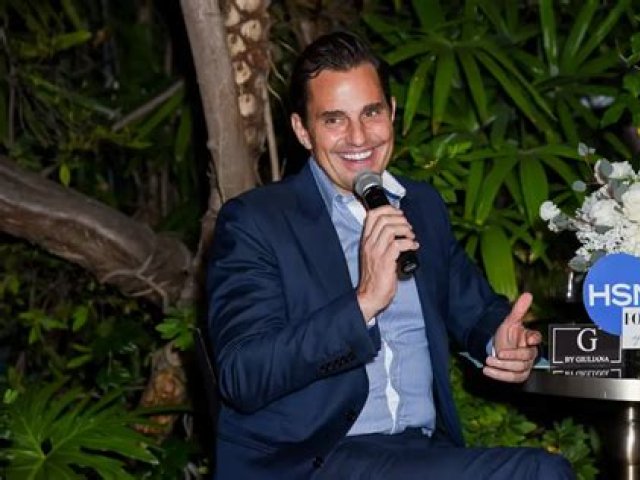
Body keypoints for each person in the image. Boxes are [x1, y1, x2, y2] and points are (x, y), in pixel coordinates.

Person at [206, 31, 574, 480]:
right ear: (303, 131)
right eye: (334, 120)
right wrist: (363, 303)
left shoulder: (421, 207)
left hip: (417, 453)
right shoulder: (257, 221)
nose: (358, 137)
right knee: (538, 473)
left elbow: (476, 310)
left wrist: (502, 341)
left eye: (371, 112)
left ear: (392, 112)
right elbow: (243, 375)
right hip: (315, 460)